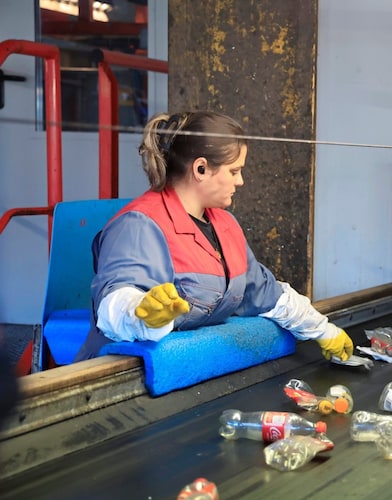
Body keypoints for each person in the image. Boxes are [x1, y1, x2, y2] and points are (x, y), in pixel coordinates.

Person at [76, 111, 353, 363]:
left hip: (187, 370)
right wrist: (141, 313)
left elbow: (265, 293)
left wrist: (323, 330)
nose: (240, 181)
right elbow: (113, 306)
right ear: (200, 169)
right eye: (234, 171)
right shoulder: (138, 225)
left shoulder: (225, 225)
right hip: (116, 379)